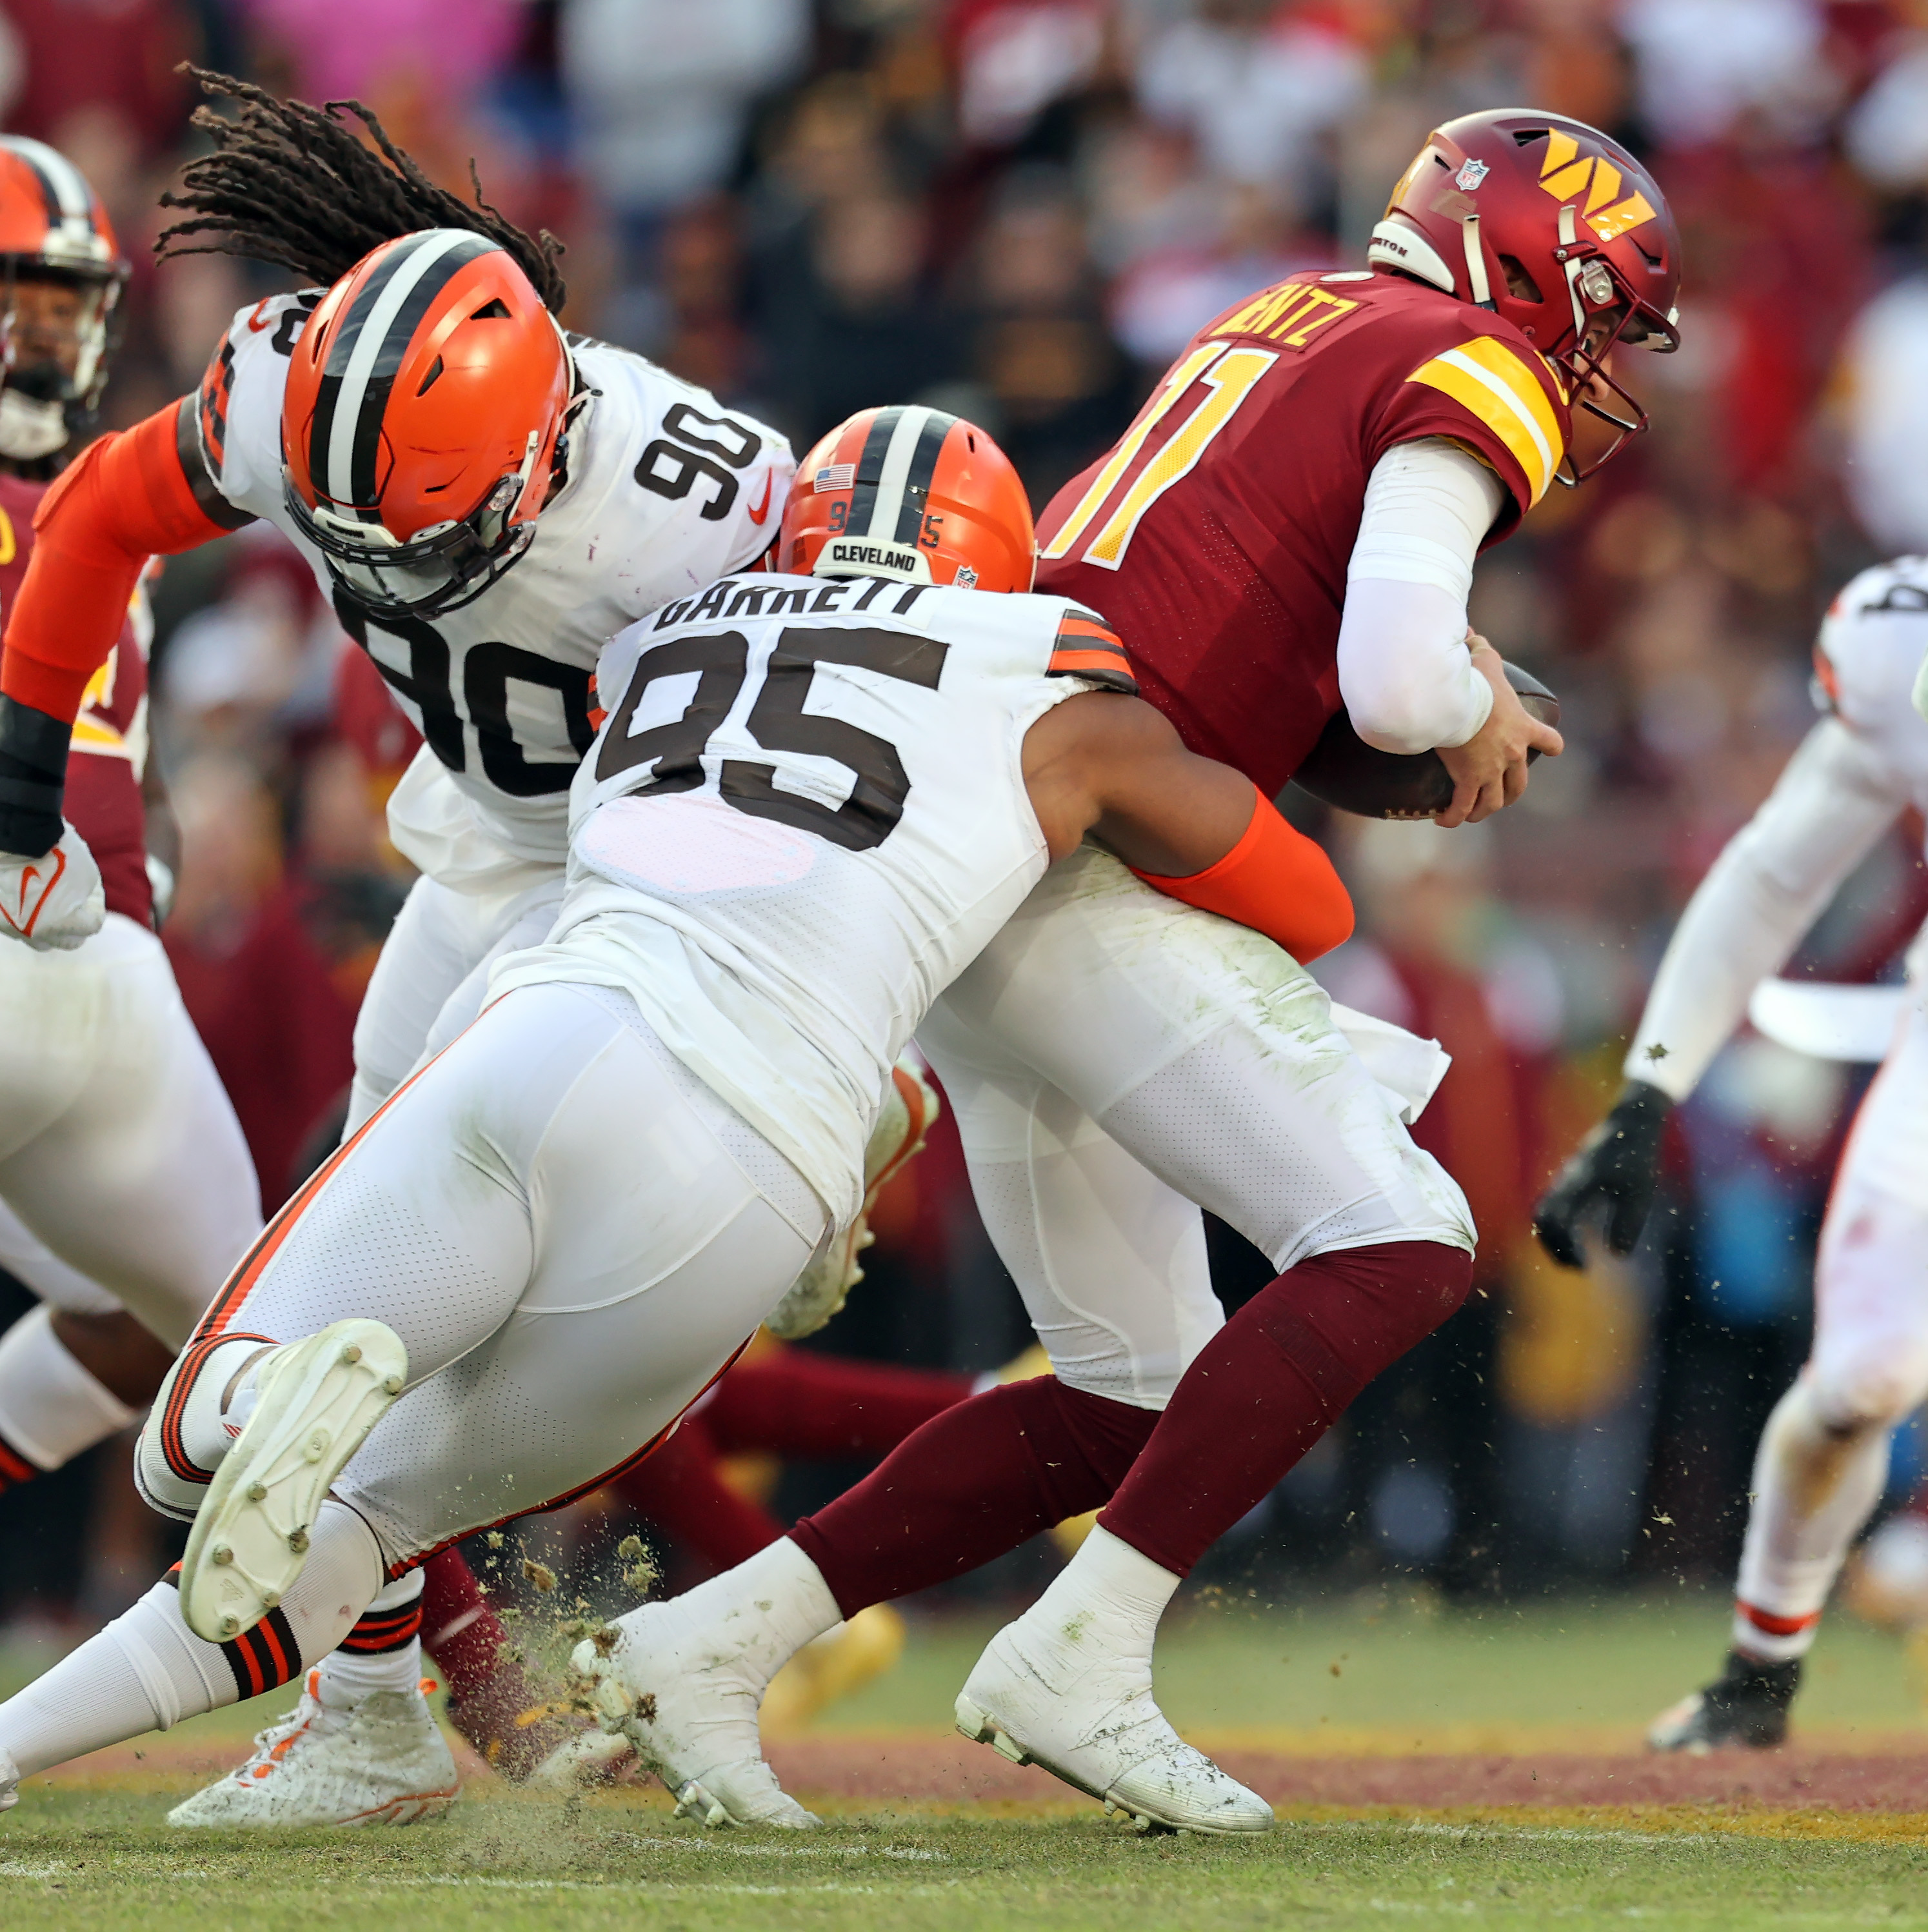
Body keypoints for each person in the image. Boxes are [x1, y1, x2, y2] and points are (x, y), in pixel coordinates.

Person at [0, 407, 1355, 1835]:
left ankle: (243, 1438)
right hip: (747, 1166)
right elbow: (1305, 905)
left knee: (187, 1450)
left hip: (548, 1031)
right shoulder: (1046, 672)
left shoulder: (667, 634)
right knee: (374, 1524)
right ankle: (142, 1659)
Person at [593, 110, 1680, 1829]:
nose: (1595, 356)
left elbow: (1229, 644)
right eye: (1599, 308)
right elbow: (1394, 686)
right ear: (1521, 260)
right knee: (1395, 1237)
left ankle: (710, 1643)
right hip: (1070, 846)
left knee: (1128, 1387)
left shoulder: (1288, 315)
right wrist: (1463, 707)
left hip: (993, 836)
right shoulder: (1464, 359)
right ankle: (1077, 1651)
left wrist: (1411, 721)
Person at [1535, 558, 1928, 1752]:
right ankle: (1760, 1670)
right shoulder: (1894, 650)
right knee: (1861, 1381)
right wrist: (1650, 1087)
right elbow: (1770, 874)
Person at [0, 133, 263, 1534]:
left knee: (179, 1332)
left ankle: (470, 1685)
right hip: (83, 973)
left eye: (68, 300)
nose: (54, 331)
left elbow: (123, 763)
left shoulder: (107, 507)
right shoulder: (115, 501)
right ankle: (462, 1680)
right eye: (24, 296)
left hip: (92, 963)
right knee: (260, 1344)